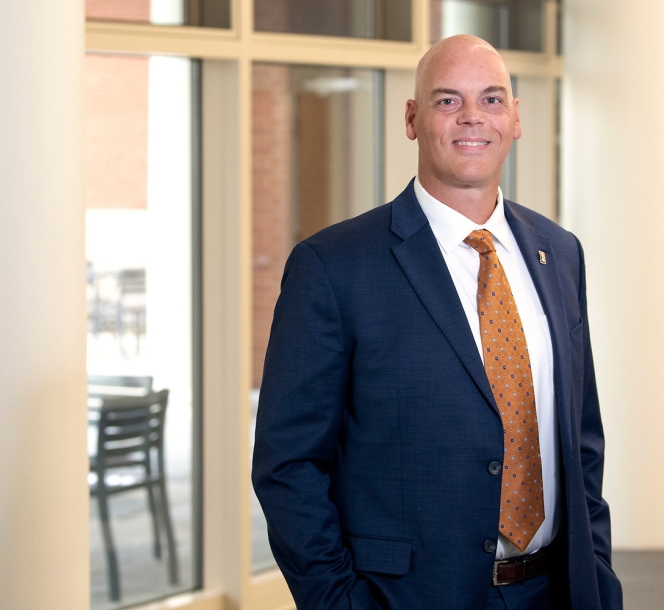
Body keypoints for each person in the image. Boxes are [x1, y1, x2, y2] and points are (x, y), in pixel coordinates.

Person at [251, 34, 622, 610]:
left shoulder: (559, 252)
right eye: (448, 100)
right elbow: (288, 464)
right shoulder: (334, 266)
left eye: (492, 99)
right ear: (412, 118)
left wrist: (596, 568)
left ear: (516, 118)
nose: (473, 117)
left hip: (559, 590)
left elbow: (581, 437)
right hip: (408, 598)